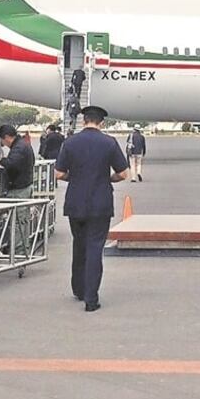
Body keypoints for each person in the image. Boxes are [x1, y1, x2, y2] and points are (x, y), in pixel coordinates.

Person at [54, 106, 130, 312]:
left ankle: (78, 289)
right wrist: (108, 178)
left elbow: (58, 173)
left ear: (83, 121)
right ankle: (91, 298)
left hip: (75, 202)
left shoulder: (70, 142)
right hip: (100, 203)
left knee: (79, 245)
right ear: (101, 123)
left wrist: (74, 177)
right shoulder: (109, 143)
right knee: (95, 248)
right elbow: (124, 173)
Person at [0, 125, 35, 198]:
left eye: (2, 140)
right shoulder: (23, 143)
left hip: (19, 189)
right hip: (26, 185)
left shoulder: (18, 147)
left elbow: (11, 164)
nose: (3, 144)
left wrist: (2, 161)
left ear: (6, 137)